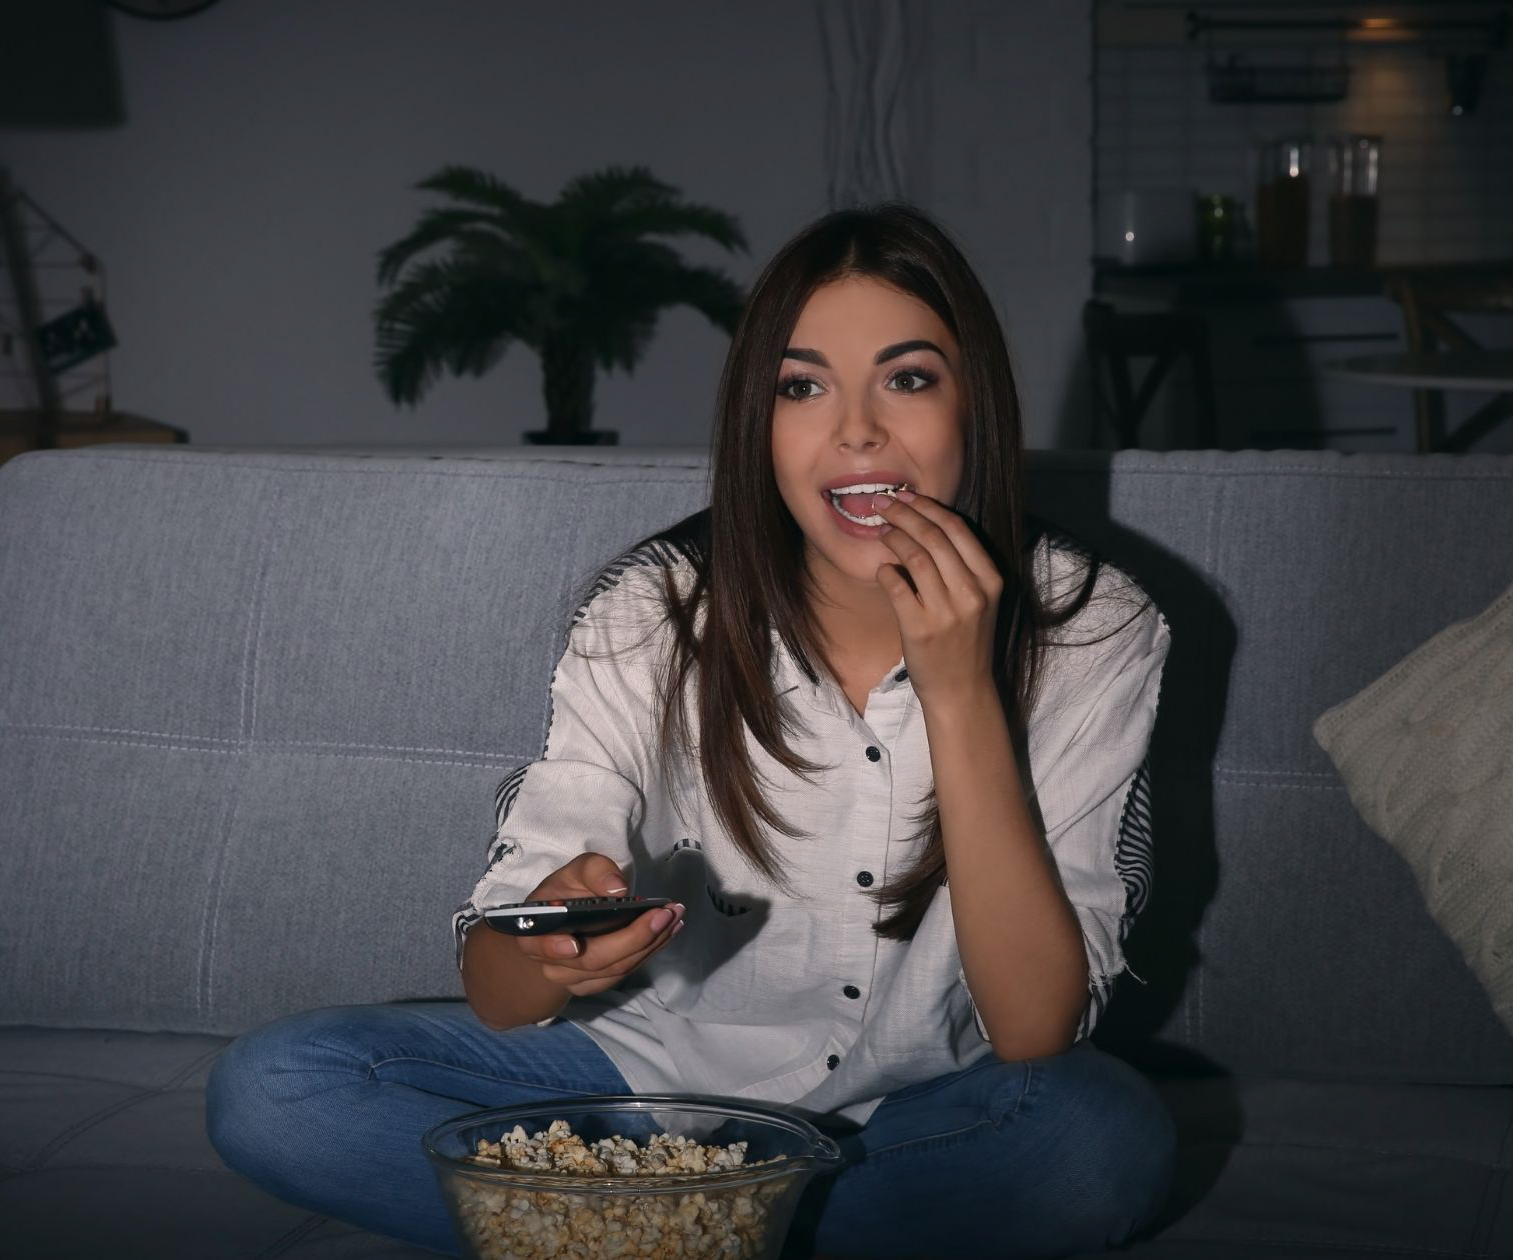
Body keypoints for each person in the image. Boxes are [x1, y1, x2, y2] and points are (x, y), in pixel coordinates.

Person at [206, 203, 1176, 1259]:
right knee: (275, 1088)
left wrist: (959, 696)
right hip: (636, 1084)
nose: (855, 430)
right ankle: (731, 1229)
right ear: (757, 425)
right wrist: (552, 943)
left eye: (906, 378)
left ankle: (638, 1231)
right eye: (800, 387)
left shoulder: (1095, 624)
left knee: (1097, 1147)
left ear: (972, 407)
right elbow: (496, 985)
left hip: (920, 1101)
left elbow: (1032, 1028)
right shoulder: (654, 606)